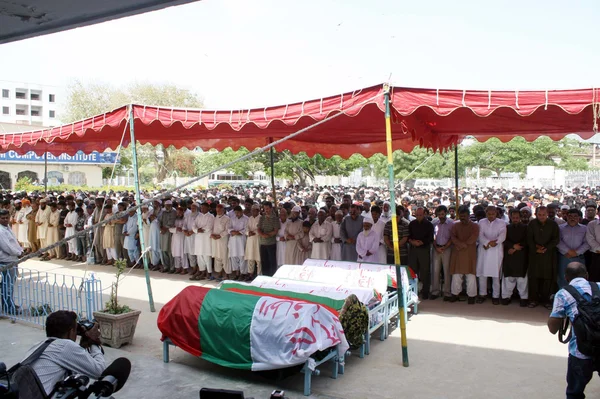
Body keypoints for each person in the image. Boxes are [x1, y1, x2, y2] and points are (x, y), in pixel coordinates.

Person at [548, 262, 600, 399]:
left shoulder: (563, 294)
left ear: (566, 278)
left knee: (574, 393)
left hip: (580, 351)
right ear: (587, 276)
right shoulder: (599, 286)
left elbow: (553, 329)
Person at [26, 310, 105, 396]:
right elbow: (100, 371)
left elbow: (74, 367)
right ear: (71, 332)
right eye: (76, 330)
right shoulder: (65, 346)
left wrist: (82, 347)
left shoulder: (38, 346)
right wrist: (93, 341)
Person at [527, 206, 560, 308]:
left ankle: (546, 301)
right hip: (535, 255)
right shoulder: (532, 224)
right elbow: (529, 238)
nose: (541, 217)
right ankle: (533, 300)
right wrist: (535, 248)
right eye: (539, 215)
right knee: (534, 278)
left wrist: (546, 248)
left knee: (547, 278)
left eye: (544, 215)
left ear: (547, 214)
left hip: (548, 255)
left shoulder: (553, 224)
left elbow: (556, 239)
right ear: (536, 214)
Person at [476, 205, 507, 304]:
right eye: (489, 214)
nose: (491, 216)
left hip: (496, 250)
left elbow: (502, 235)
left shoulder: (502, 223)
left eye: (493, 214)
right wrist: (486, 243)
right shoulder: (481, 222)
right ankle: (482, 294)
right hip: (484, 249)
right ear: (486, 214)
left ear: (496, 214)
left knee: (496, 274)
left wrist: (495, 242)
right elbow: (480, 235)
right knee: (482, 274)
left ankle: (496, 296)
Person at [449, 205, 480, 304]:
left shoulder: (475, 226)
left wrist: (462, 244)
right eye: (461, 216)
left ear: (468, 215)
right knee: (456, 275)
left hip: (469, 253)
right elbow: (453, 237)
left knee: (470, 275)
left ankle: (471, 296)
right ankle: (455, 294)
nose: (462, 218)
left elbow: (474, 237)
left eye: (464, 216)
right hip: (458, 252)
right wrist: (460, 244)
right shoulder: (455, 225)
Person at [502, 209, 529, 306]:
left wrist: (517, 247)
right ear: (510, 218)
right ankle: (506, 296)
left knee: (522, 279)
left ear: (520, 218)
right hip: (509, 255)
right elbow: (503, 239)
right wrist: (512, 246)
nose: (515, 219)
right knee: (509, 278)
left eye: (517, 218)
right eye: (513, 218)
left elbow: (527, 240)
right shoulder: (506, 227)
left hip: (521, 256)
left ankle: (523, 297)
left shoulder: (526, 228)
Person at [557, 209, 589, 289]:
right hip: (564, 257)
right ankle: (563, 297)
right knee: (563, 278)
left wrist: (577, 252)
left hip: (579, 257)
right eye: (570, 216)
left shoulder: (584, 228)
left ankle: (578, 298)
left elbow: (587, 243)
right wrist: (568, 251)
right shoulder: (560, 228)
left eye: (575, 216)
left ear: (579, 218)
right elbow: (558, 241)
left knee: (580, 279)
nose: (572, 218)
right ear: (566, 217)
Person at [408, 207, 434, 299]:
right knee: (413, 271)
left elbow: (430, 238)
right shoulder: (412, 224)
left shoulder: (429, 225)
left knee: (425, 271)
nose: (419, 217)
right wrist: (412, 242)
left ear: (424, 215)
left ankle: (425, 292)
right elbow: (408, 236)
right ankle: (412, 291)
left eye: (420, 215)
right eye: (417, 215)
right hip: (413, 249)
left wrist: (421, 242)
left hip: (424, 249)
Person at [0, 209, 23, 313]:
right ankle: (8, 307)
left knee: (10, 284)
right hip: (6, 260)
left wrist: (20, 250)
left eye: (6, 218)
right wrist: (18, 253)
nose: (5, 220)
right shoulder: (0, 230)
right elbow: (6, 247)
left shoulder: (7, 227)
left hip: (13, 259)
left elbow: (14, 242)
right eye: (2, 218)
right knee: (7, 285)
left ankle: (10, 303)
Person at [431, 205, 453, 300]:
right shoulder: (434, 222)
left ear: (446, 213)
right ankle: (435, 291)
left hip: (447, 248)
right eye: (439, 214)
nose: (441, 216)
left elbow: (452, 237)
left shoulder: (451, 223)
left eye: (442, 214)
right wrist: (436, 247)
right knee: (435, 271)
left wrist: (445, 247)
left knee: (447, 271)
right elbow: (432, 236)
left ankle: (447, 293)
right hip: (436, 248)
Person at [257, 201, 280, 277]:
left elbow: (275, 231)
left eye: (267, 208)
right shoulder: (262, 217)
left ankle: (272, 276)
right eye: (265, 209)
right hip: (262, 242)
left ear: (271, 208)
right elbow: (258, 228)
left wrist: (267, 235)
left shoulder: (275, 218)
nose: (266, 210)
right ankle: (265, 276)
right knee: (264, 261)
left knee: (272, 261)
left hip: (271, 243)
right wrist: (262, 235)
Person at [228, 205, 248, 280]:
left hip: (241, 240)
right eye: (236, 213)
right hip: (233, 240)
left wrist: (237, 232)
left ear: (242, 211)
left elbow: (246, 229)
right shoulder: (232, 219)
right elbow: (229, 228)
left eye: (238, 212)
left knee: (242, 256)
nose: (237, 214)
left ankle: (242, 274)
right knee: (234, 256)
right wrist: (233, 232)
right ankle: (237, 273)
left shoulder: (246, 219)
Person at [211, 204, 230, 280]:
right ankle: (219, 273)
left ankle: (227, 274)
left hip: (223, 240)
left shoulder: (227, 218)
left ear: (223, 210)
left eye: (219, 210)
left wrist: (219, 236)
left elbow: (227, 230)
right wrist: (212, 235)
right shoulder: (215, 218)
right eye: (217, 210)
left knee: (224, 257)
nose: (218, 211)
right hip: (215, 240)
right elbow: (212, 228)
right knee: (217, 257)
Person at [159, 200, 176, 273]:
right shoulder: (163, 212)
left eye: (169, 205)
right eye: (166, 205)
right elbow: (159, 220)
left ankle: (172, 268)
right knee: (163, 250)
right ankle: (166, 266)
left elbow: (171, 222)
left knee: (170, 250)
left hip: (169, 232)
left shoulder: (174, 212)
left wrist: (165, 228)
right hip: (163, 233)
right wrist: (160, 228)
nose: (167, 207)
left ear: (171, 205)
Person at [245, 204, 262, 276]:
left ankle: (259, 275)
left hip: (258, 239)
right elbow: (246, 228)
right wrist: (248, 232)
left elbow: (262, 229)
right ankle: (250, 274)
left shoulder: (262, 218)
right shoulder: (250, 218)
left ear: (258, 211)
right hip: (250, 239)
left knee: (258, 258)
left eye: (255, 210)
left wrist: (254, 232)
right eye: (252, 210)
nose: (253, 211)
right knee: (250, 258)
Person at [585, 214, 600, 283]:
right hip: (597, 255)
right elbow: (590, 239)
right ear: (598, 213)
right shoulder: (592, 224)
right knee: (595, 279)